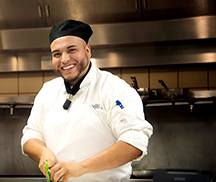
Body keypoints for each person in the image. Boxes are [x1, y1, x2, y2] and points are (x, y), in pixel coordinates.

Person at [20, 19, 153, 182]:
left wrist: (80, 168)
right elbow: (30, 134)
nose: (64, 59)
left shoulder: (113, 88)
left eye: (72, 50)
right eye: (57, 54)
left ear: (87, 51)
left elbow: (134, 142)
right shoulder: (48, 91)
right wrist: (43, 152)